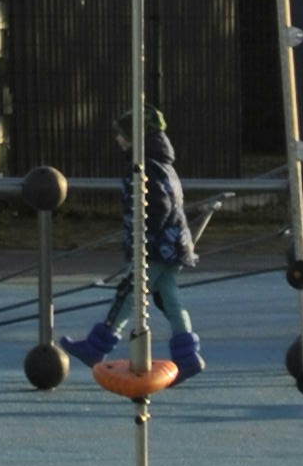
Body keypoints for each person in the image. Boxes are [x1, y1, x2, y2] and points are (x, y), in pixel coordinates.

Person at [66, 118, 205, 379]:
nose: (117, 139)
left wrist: (144, 237)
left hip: (155, 246)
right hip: (172, 243)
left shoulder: (147, 166)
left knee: (130, 292)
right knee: (170, 299)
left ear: (135, 136)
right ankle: (187, 356)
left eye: (121, 134)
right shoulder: (160, 161)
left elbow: (158, 206)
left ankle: (97, 346)